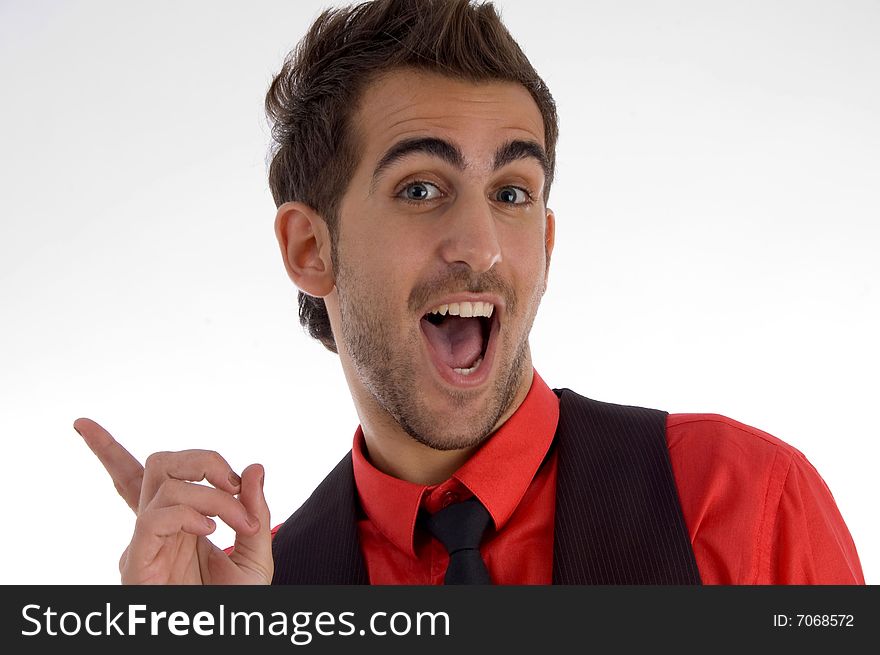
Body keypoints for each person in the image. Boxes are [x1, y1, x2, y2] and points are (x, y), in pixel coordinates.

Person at [73, 0, 863, 585]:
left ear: (545, 246)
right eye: (421, 188)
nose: (481, 245)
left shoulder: (741, 499)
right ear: (311, 248)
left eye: (513, 193)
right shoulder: (259, 590)